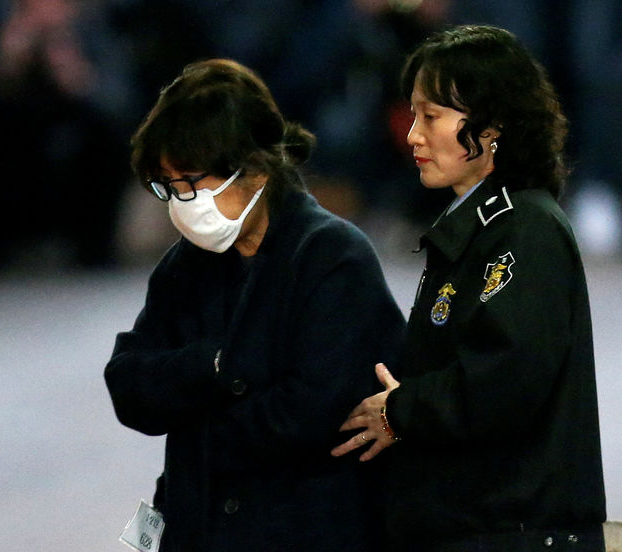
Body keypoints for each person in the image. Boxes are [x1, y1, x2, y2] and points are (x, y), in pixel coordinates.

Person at [104, 59, 405, 551]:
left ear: (256, 167)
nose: (182, 204)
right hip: (202, 527)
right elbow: (128, 384)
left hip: (308, 528)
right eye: (168, 188)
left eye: (193, 183)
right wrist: (212, 367)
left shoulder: (332, 257)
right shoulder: (183, 267)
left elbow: (311, 414)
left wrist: (192, 429)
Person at [331, 25, 607, 551]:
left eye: (431, 116)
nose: (413, 135)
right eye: (413, 115)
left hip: (514, 534)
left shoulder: (525, 229)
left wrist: (401, 410)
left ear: (494, 123)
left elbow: (506, 379)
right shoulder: (475, 228)